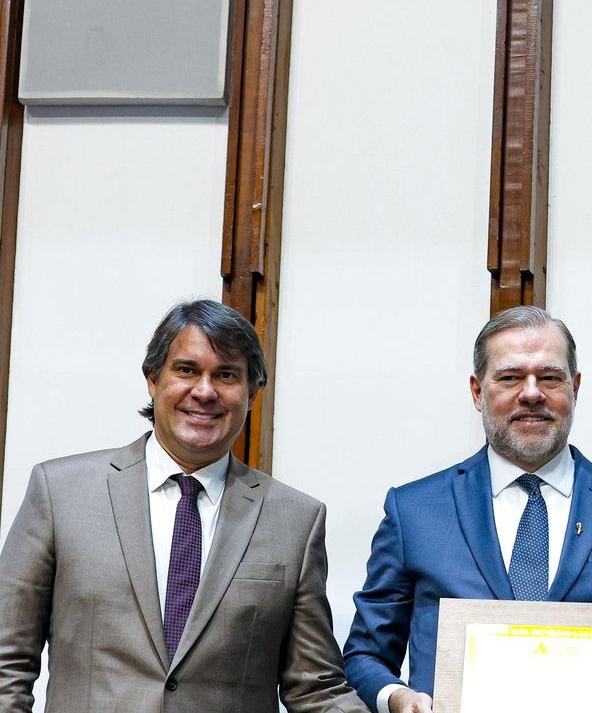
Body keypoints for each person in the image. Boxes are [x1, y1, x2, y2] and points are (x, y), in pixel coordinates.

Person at [0, 300, 366, 712]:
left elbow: (316, 687)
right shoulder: (60, 492)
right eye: (187, 370)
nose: (205, 391)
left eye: (226, 375)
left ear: (252, 394)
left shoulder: (295, 521)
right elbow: (6, 662)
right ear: (153, 379)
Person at [343, 305, 592, 713]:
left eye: (550, 377)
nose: (532, 393)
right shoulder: (414, 511)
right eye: (510, 377)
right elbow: (365, 654)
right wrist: (398, 698)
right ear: (477, 391)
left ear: (575, 386)